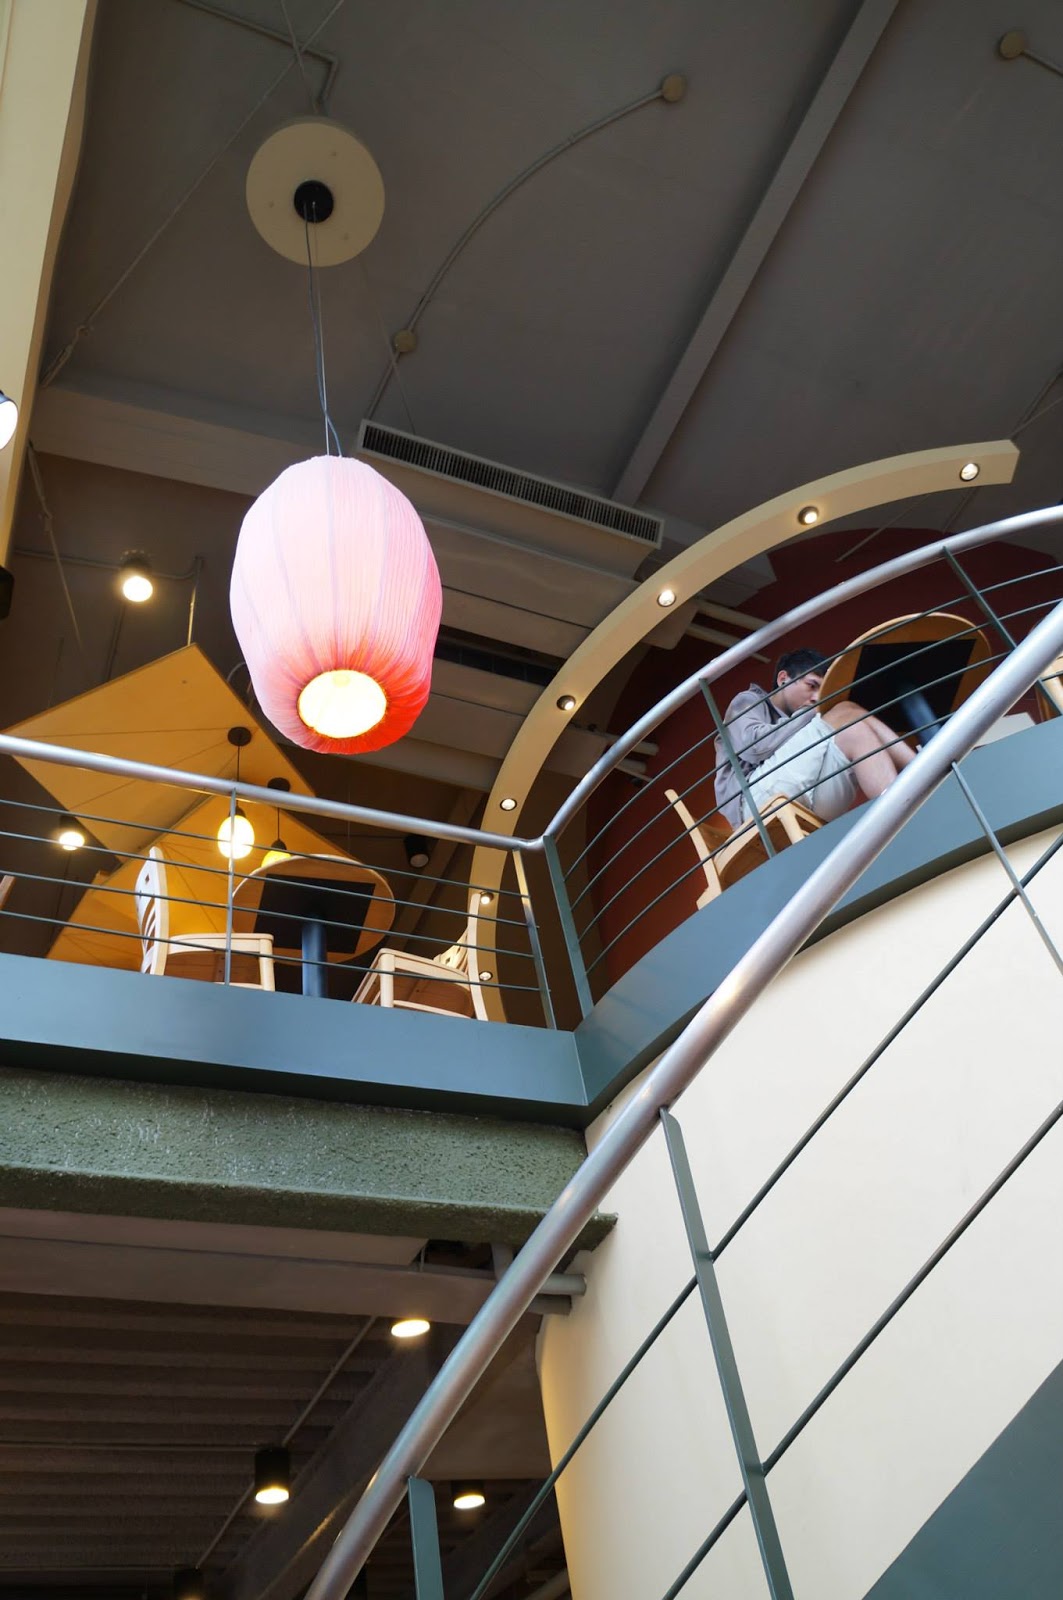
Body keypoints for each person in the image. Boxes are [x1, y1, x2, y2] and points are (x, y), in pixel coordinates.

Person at [714, 647, 915, 832]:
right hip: (753, 804)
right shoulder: (749, 700)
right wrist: (811, 712)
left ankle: (906, 810)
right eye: (811, 685)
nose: (816, 698)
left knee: (855, 731)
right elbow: (755, 747)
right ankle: (922, 766)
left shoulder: (803, 723)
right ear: (783, 679)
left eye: (821, 691)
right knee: (844, 709)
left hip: (802, 794)